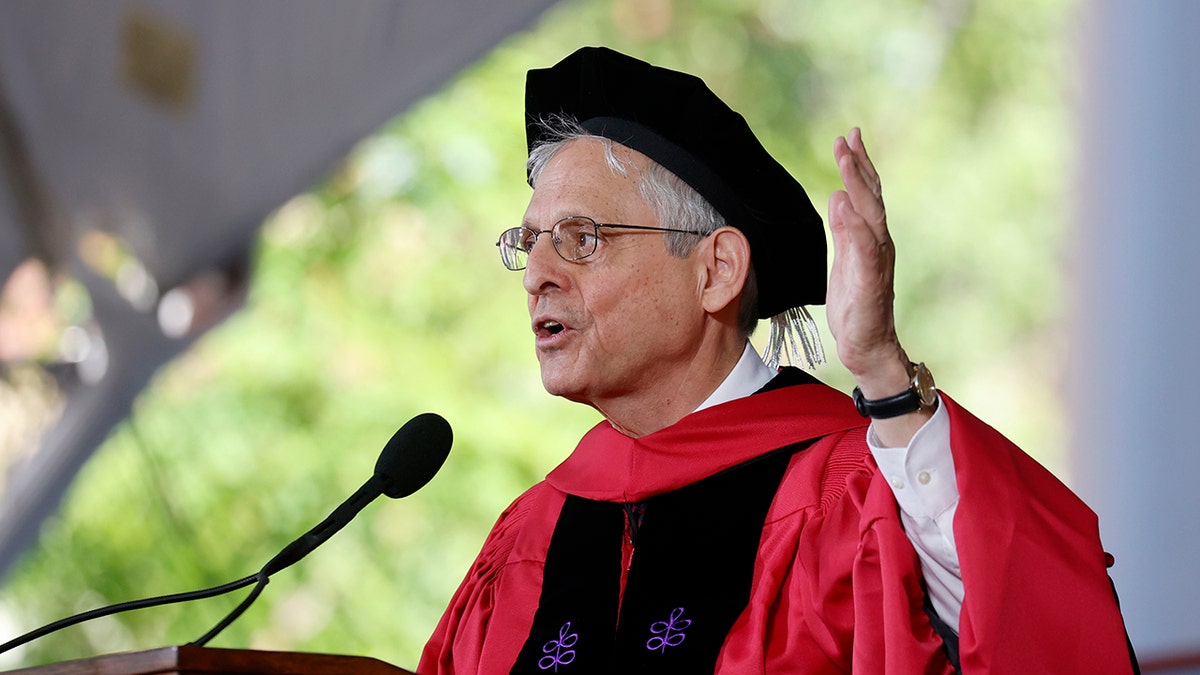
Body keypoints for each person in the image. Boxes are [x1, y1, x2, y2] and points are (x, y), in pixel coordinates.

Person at [419, 46, 1136, 674]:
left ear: (716, 269)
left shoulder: (856, 488)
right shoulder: (532, 533)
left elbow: (1026, 625)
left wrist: (884, 373)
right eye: (529, 240)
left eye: (579, 238)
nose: (534, 273)